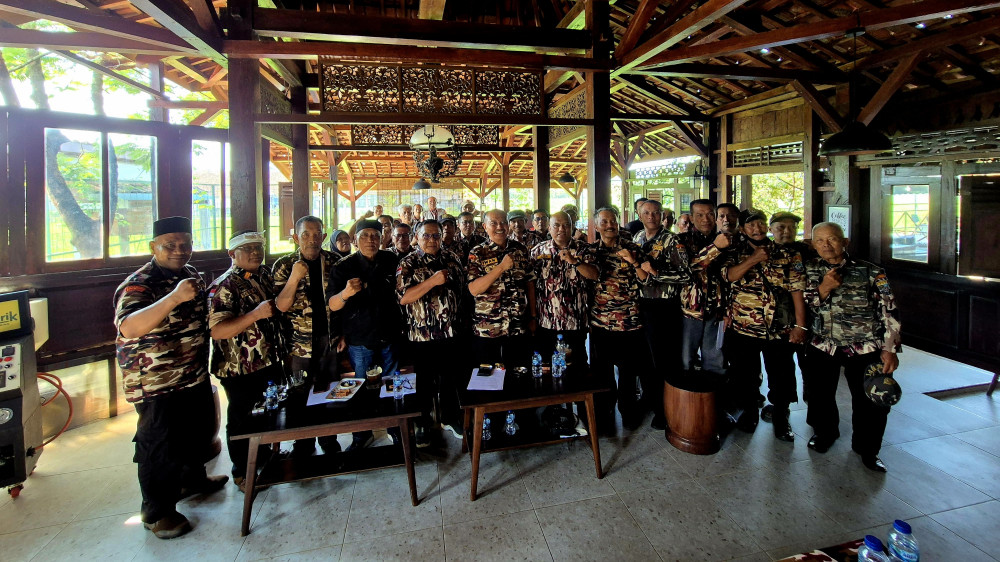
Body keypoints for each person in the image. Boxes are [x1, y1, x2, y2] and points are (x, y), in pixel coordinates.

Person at [114, 216, 227, 540]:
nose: (180, 251)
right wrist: (174, 297)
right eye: (170, 245)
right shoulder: (140, 283)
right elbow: (130, 327)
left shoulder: (190, 274)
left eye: (185, 244)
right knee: (159, 445)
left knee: (199, 430)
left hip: (192, 373)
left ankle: (193, 480)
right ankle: (157, 511)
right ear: (154, 247)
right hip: (156, 381)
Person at [803, 222, 901, 472]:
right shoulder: (807, 269)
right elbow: (803, 306)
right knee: (819, 395)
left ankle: (868, 449)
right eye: (820, 241)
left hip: (865, 346)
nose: (827, 245)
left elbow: (888, 309)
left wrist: (889, 348)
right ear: (813, 245)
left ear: (845, 242)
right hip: (822, 344)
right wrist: (824, 287)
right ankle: (825, 434)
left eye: (833, 239)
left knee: (872, 400)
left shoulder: (871, 271)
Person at [721, 209, 808, 442]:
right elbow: (729, 277)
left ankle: (781, 417)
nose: (756, 229)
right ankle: (749, 413)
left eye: (760, 224)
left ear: (767, 228)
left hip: (779, 326)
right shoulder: (733, 251)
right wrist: (754, 259)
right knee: (745, 375)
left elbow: (798, 290)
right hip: (744, 325)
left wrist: (801, 326)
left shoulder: (787, 252)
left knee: (781, 375)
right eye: (751, 226)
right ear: (742, 229)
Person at [208, 231, 282, 489]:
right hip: (239, 366)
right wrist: (255, 314)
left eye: (258, 247)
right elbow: (218, 330)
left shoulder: (261, 275)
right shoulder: (224, 285)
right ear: (232, 254)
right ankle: (242, 472)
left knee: (263, 412)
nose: (254, 253)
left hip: (266, 360)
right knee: (241, 419)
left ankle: (261, 457)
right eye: (247, 248)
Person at [328, 220, 402, 449]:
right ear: (354, 240)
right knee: (361, 386)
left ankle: (394, 428)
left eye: (375, 235)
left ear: (382, 239)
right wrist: (346, 293)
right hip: (360, 337)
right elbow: (332, 305)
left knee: (392, 384)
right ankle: (362, 433)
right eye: (365, 235)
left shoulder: (391, 259)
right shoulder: (343, 266)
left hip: (390, 333)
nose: (371, 240)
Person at [273, 216, 341, 457]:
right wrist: (294, 278)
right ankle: (303, 443)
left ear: (323, 236)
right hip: (297, 344)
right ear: (295, 237)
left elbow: (343, 302)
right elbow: (280, 306)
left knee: (329, 391)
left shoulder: (334, 262)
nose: (312, 240)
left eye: (317, 234)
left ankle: (328, 439)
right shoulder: (284, 265)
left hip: (328, 340)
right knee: (299, 394)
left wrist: (341, 334)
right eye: (305, 235)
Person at [396, 220, 468, 442]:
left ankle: (449, 417)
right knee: (424, 382)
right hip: (422, 334)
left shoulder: (452, 258)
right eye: (426, 236)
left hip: (450, 332)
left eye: (436, 236)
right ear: (416, 237)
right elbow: (404, 298)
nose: (432, 240)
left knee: (450, 378)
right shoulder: (408, 263)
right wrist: (431, 281)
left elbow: (463, 290)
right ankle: (423, 423)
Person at [587, 207, 652, 431]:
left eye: (613, 221)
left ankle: (628, 412)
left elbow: (647, 281)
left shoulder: (633, 248)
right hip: (601, 322)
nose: (609, 225)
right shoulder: (591, 252)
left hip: (630, 321)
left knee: (628, 372)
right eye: (604, 222)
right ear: (596, 227)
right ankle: (604, 415)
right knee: (602, 373)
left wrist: (634, 262)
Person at [631, 198, 691, 430]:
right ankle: (650, 398)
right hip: (642, 305)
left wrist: (655, 272)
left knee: (664, 360)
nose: (652, 216)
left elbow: (685, 275)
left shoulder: (671, 240)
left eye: (656, 212)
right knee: (645, 359)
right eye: (647, 213)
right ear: (639, 215)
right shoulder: (637, 238)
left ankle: (665, 410)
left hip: (664, 306)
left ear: (663, 215)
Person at [760, 211, 814, 423]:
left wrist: (802, 325)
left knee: (812, 371)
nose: (786, 231)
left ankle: (817, 414)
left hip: (809, 323)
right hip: (777, 323)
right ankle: (781, 413)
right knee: (779, 371)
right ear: (771, 229)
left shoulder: (809, 252)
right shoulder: (763, 253)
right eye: (781, 227)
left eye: (792, 227)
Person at [467, 210, 534, 366]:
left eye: (504, 222)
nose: (500, 227)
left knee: (519, 373)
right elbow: (474, 289)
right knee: (489, 378)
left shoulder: (520, 249)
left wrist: (533, 316)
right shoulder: (477, 253)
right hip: (489, 326)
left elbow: (530, 283)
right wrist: (501, 267)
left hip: (517, 325)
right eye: (494, 223)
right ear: (484, 226)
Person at [529, 211, 598, 364]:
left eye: (566, 225)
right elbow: (530, 285)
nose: (561, 229)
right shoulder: (538, 251)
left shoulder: (584, 250)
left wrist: (575, 262)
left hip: (576, 321)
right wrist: (533, 317)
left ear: (572, 227)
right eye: (557, 225)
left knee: (577, 367)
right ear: (549, 228)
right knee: (547, 366)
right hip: (546, 321)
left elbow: (595, 275)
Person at [678, 200, 731, 379]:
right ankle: (687, 405)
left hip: (717, 311)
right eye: (699, 215)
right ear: (692, 218)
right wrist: (715, 248)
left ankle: (714, 403)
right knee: (686, 361)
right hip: (689, 312)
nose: (705, 219)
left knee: (716, 360)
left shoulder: (727, 240)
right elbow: (687, 268)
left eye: (709, 214)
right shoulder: (681, 240)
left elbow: (730, 277)